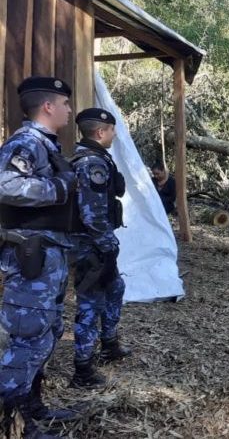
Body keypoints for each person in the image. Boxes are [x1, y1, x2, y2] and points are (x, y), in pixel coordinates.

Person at [0, 76, 80, 438]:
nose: (68, 110)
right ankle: (13, 424)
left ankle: (31, 409)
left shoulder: (46, 145)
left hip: (48, 256)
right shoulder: (26, 143)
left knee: (45, 334)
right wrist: (57, 189)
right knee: (27, 337)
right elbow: (5, 184)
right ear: (48, 106)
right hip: (32, 256)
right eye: (64, 103)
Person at [69, 108, 131, 389]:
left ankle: (109, 345)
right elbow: (91, 214)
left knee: (115, 288)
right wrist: (108, 244)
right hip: (90, 246)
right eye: (112, 129)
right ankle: (82, 369)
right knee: (90, 303)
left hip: (97, 244)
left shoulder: (95, 157)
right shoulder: (90, 163)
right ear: (100, 132)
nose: (114, 134)